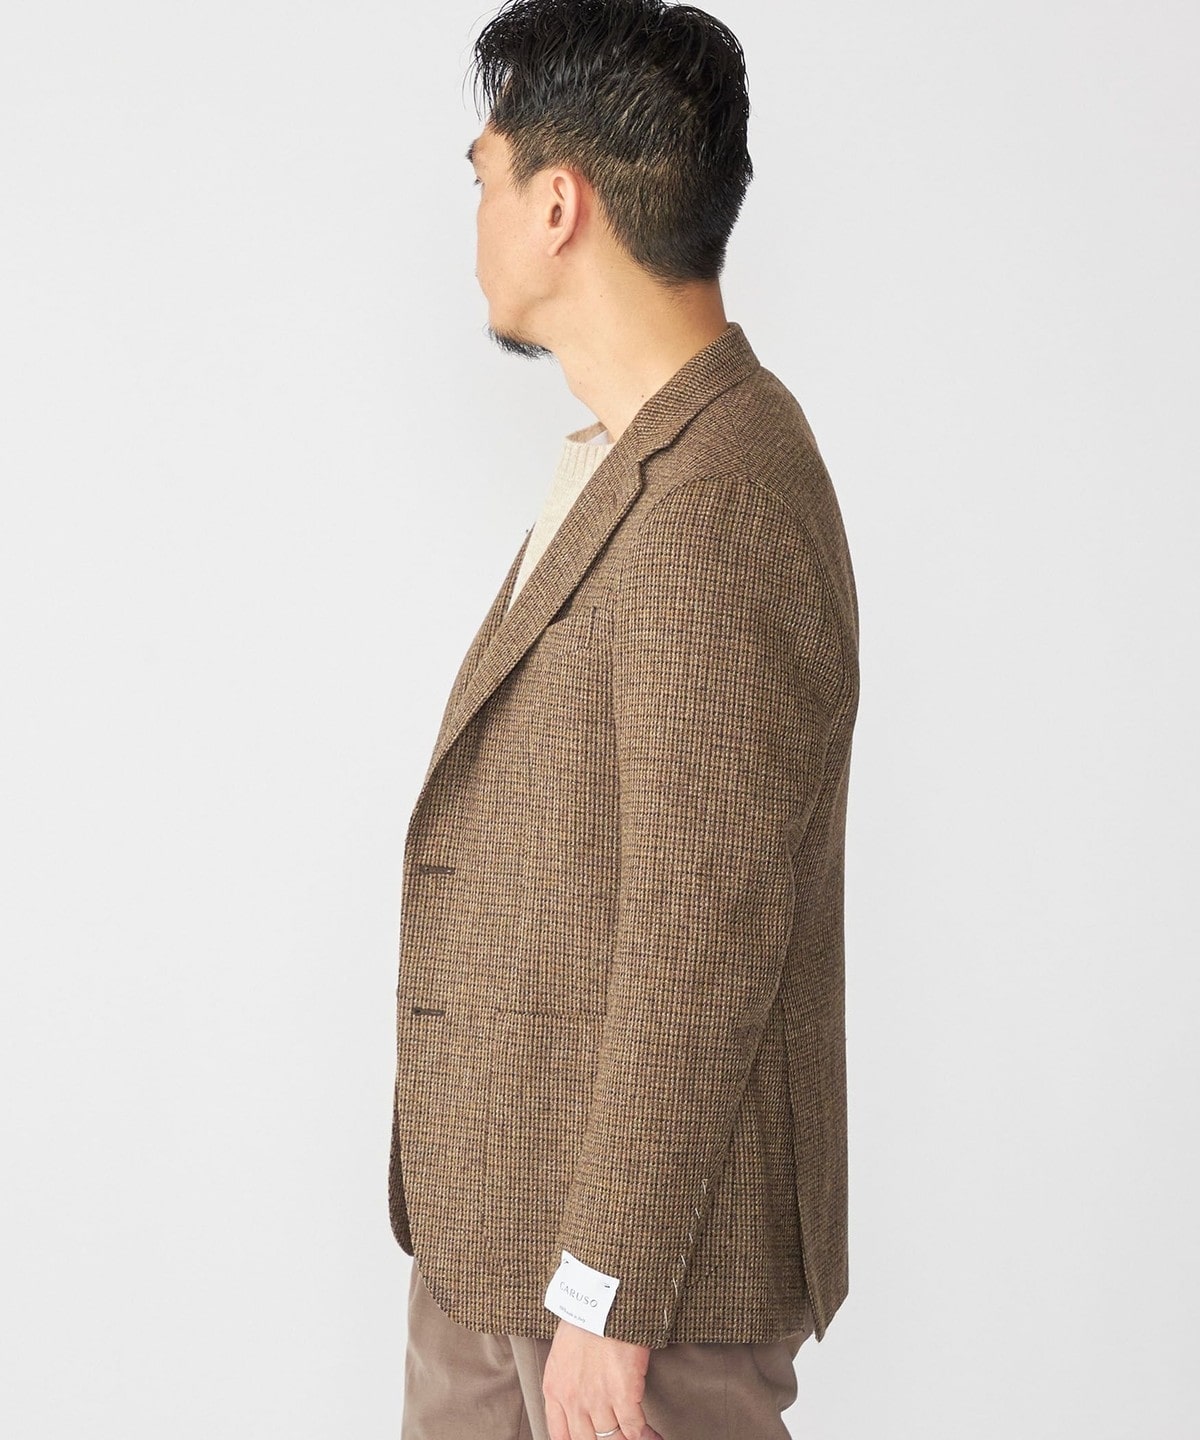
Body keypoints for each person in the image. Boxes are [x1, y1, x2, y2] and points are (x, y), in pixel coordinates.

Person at [388, 2, 860, 1437]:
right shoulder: (631, 459)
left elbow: (703, 933)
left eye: (483, 176)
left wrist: (607, 1291)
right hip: (501, 1238)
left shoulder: (723, 496)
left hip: (631, 1296)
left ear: (558, 205)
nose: (472, 215)